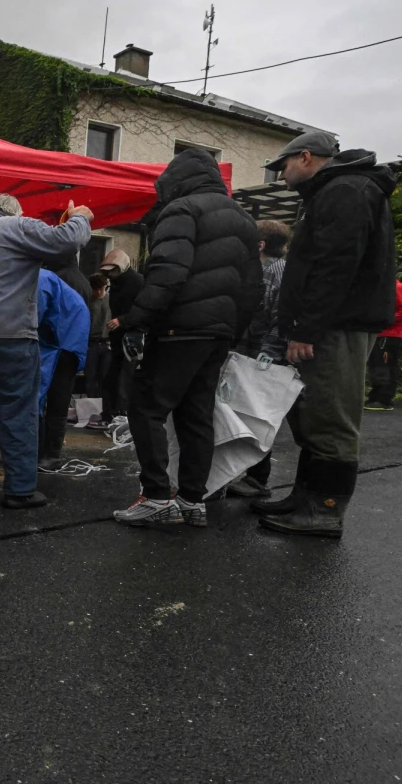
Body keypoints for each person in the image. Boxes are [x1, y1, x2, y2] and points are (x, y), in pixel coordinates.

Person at [252, 133, 398, 538]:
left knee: (332, 417)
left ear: (305, 157)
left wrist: (305, 329)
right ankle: (305, 497)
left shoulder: (346, 190)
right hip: (333, 324)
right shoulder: (340, 189)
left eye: (282, 167)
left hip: (337, 326)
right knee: (316, 414)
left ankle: (323, 510)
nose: (280, 177)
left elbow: (334, 267)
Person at [112, 149, 261, 527]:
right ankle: (193, 500)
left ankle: (156, 496)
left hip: (178, 329)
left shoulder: (181, 209)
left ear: (175, 180)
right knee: (197, 415)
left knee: (146, 407)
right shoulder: (244, 219)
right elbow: (252, 287)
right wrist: (231, 332)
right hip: (218, 333)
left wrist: (136, 321)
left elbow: (167, 272)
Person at [0, 193, 93, 509]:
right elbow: (66, 242)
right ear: (16, 212)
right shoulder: (18, 227)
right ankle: (20, 490)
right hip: (11, 334)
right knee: (18, 409)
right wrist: (81, 217)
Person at [227, 220, 292, 499]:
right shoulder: (270, 270)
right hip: (254, 354)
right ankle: (248, 475)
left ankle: (257, 479)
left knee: (258, 414)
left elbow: (280, 316)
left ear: (260, 244)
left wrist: (268, 354)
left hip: (260, 357)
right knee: (248, 413)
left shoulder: (275, 272)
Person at [37, 270, 90, 469]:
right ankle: (46, 453)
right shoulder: (49, 278)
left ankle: (49, 454)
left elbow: (34, 316)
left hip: (63, 341)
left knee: (54, 397)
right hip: (66, 338)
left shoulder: (41, 279)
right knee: (54, 397)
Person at [99, 249, 144, 425]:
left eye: (112, 271)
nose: (110, 275)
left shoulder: (135, 282)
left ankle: (118, 412)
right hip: (123, 335)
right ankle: (114, 412)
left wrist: (123, 320)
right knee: (118, 376)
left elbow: (143, 308)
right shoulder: (124, 282)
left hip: (130, 334)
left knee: (123, 376)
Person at [365, 278, 402, 411]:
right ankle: (375, 396)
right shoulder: (383, 287)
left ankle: (384, 399)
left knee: (385, 364)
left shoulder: (398, 287)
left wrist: (387, 321)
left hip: (391, 334)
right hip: (380, 333)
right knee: (377, 364)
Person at [84, 273, 112, 399]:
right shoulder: (87, 300)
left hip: (107, 342)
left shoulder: (110, 299)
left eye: (102, 289)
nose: (100, 292)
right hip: (91, 342)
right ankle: (92, 405)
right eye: (97, 289)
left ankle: (102, 406)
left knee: (105, 378)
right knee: (90, 378)